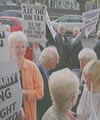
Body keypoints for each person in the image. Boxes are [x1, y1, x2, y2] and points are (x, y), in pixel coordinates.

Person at [8, 31, 44, 120]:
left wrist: (25, 93)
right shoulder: (4, 68)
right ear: (10, 48)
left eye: (23, 46)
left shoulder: (33, 67)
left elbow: (40, 93)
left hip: (28, 115)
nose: (20, 50)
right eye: (17, 47)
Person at [37, 46, 59, 120]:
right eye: (55, 59)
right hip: (40, 113)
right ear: (47, 59)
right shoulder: (36, 71)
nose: (57, 62)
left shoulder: (50, 72)